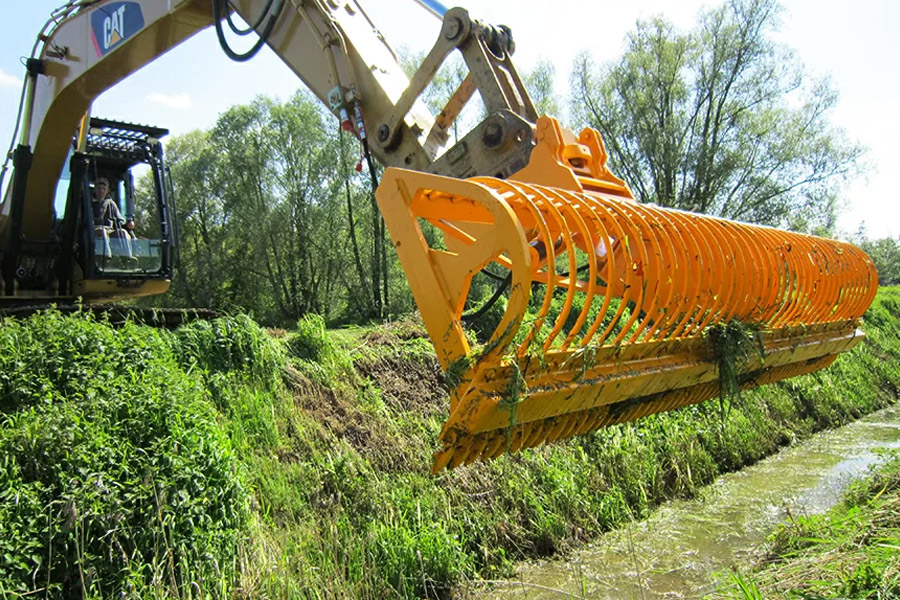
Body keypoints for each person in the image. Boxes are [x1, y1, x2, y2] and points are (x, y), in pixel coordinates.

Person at [91, 177, 134, 260]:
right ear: (95, 189)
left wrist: (127, 225)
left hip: (109, 231)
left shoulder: (111, 204)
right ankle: (106, 257)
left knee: (123, 232)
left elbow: (120, 220)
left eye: (104, 189)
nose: (101, 191)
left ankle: (128, 259)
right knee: (102, 231)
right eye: (99, 188)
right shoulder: (89, 203)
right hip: (94, 231)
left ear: (107, 191)